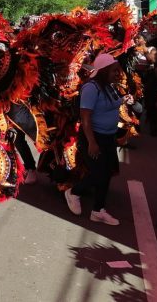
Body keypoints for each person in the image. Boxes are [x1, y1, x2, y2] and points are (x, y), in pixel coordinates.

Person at [65, 53, 134, 225]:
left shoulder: (109, 87)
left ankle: (98, 210)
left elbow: (113, 104)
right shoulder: (91, 88)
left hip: (108, 137)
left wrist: (125, 99)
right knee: (98, 173)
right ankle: (73, 192)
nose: (117, 74)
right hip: (94, 137)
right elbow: (85, 117)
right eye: (113, 71)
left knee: (106, 173)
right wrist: (92, 142)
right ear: (103, 71)